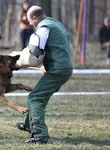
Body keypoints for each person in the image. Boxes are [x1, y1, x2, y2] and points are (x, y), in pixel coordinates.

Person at [15, 6, 73, 144]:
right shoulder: (54, 23)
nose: (30, 24)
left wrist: (18, 63)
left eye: (30, 20)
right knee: (39, 95)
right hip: (63, 67)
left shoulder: (43, 28)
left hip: (57, 69)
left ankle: (40, 134)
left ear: (35, 18)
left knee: (35, 98)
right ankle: (30, 125)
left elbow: (34, 51)